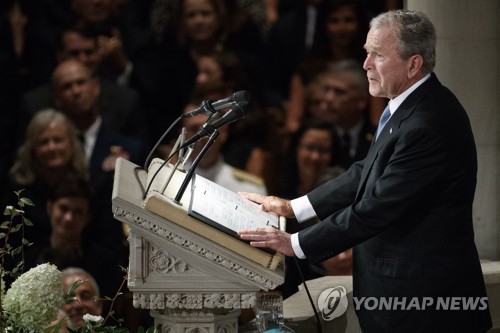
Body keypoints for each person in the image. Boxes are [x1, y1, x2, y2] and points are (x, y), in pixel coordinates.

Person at [238, 9, 492, 332]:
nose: (365, 65)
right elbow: (365, 171)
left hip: (425, 308)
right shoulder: (408, 104)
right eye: (366, 53)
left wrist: (295, 243)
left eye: (377, 55)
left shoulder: (428, 123)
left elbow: (374, 210)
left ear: (414, 64)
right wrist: (294, 207)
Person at [2, 108, 89, 250]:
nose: (52, 147)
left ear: (71, 143)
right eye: (44, 142)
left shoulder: (88, 184)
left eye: (58, 140)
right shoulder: (16, 192)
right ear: (32, 148)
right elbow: (10, 244)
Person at [315, 59, 376, 169]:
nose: (328, 98)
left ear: (361, 100)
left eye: (339, 92)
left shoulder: (377, 138)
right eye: (327, 90)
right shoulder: (313, 135)